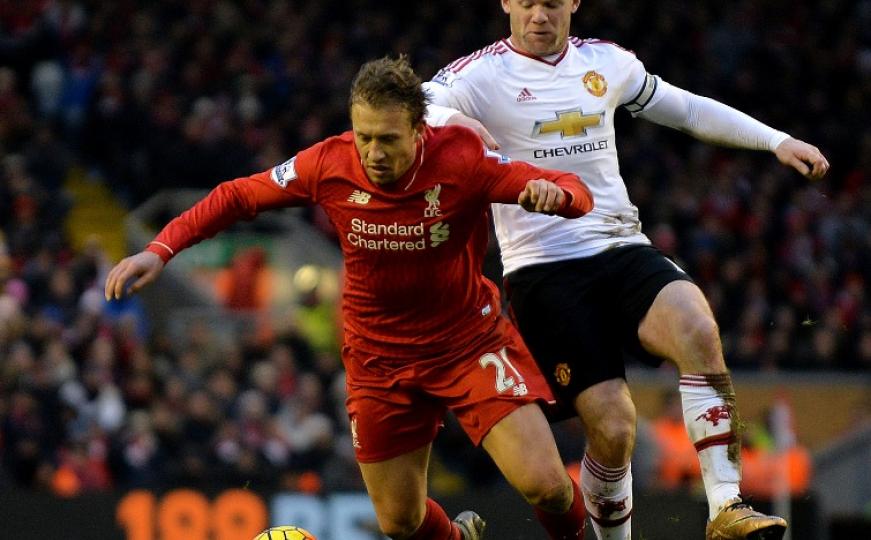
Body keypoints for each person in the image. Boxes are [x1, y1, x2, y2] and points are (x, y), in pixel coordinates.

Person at [105, 56, 595, 540]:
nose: (373, 152)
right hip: (378, 360)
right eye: (364, 137)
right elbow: (239, 196)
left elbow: (572, 188)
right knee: (400, 522)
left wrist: (558, 197)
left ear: (420, 130)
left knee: (548, 486)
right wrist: (160, 249)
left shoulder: (463, 158)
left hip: (467, 345)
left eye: (388, 139)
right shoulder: (329, 163)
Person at [422, 2, 830, 539]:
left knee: (697, 326)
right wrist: (458, 122)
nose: (539, 15)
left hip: (621, 244)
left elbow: (686, 110)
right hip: (545, 270)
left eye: (551, 3)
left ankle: (726, 506)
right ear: (505, 2)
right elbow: (415, 104)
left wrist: (776, 140)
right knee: (614, 430)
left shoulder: (606, 62)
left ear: (574, 3)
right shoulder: (478, 75)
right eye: (528, 2)